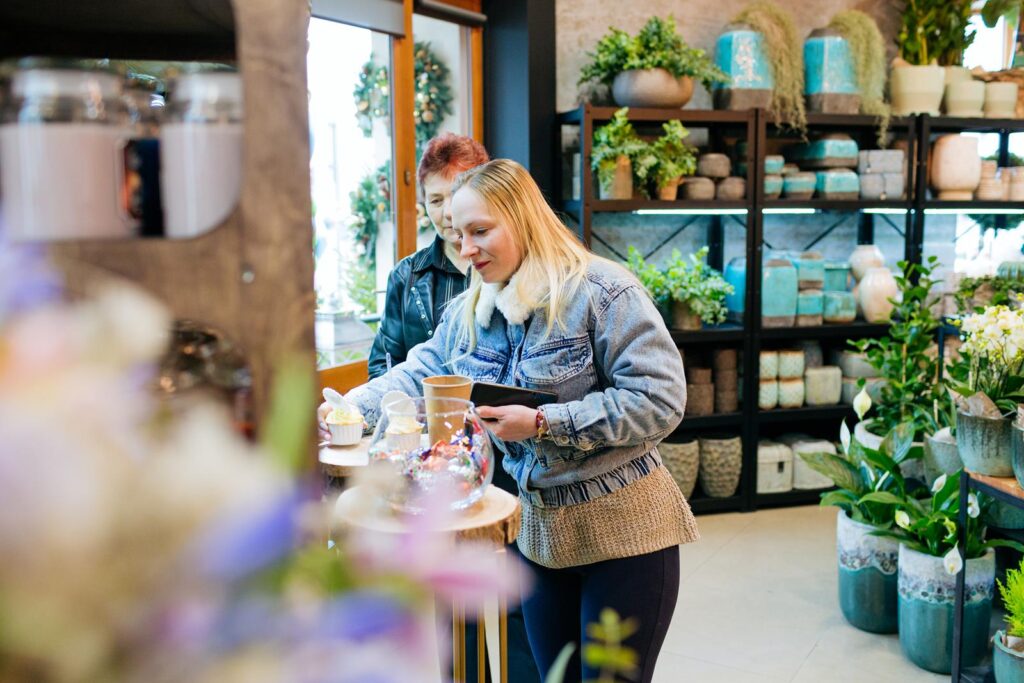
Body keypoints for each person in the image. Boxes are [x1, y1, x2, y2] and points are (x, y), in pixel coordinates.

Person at [342, 159, 699, 682]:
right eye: (458, 234)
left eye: (480, 231)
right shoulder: (470, 311)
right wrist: (348, 409)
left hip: (627, 536)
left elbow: (660, 399)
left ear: (524, 219)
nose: (466, 249)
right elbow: (418, 374)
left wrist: (543, 423)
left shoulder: (603, 292)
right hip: (540, 540)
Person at [366, 132, 488, 379]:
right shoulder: (406, 275)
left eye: (456, 196)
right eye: (435, 200)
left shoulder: (506, 266)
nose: (448, 212)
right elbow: (382, 365)